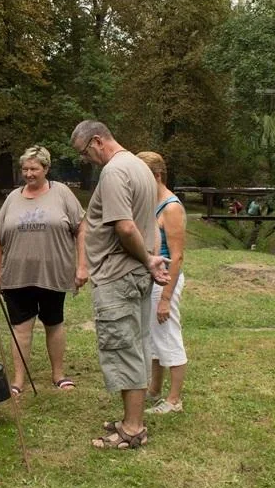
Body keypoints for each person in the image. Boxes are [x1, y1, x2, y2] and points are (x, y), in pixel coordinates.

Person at [70, 121, 170, 450]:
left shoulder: (114, 172)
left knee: (123, 348)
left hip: (119, 275)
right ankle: (131, 418)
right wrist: (149, 260)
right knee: (135, 345)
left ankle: (133, 428)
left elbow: (126, 228)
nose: (86, 159)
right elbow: (147, 222)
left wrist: (147, 260)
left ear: (98, 141)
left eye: (85, 152)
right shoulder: (139, 167)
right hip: (134, 275)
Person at [0, 146, 87, 395]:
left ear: (46, 168)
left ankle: (58, 375)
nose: (28, 174)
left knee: (53, 322)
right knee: (20, 327)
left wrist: (82, 265)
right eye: (25, 169)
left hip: (52, 273)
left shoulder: (62, 193)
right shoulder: (13, 198)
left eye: (34, 169)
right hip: (17, 275)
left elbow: (81, 228)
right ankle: (18, 380)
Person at [137, 152, 188, 415]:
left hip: (166, 280)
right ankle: (154, 389)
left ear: (157, 175)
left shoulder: (171, 207)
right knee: (153, 338)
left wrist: (166, 298)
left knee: (168, 335)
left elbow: (177, 255)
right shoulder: (150, 203)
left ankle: (174, 399)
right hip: (151, 279)